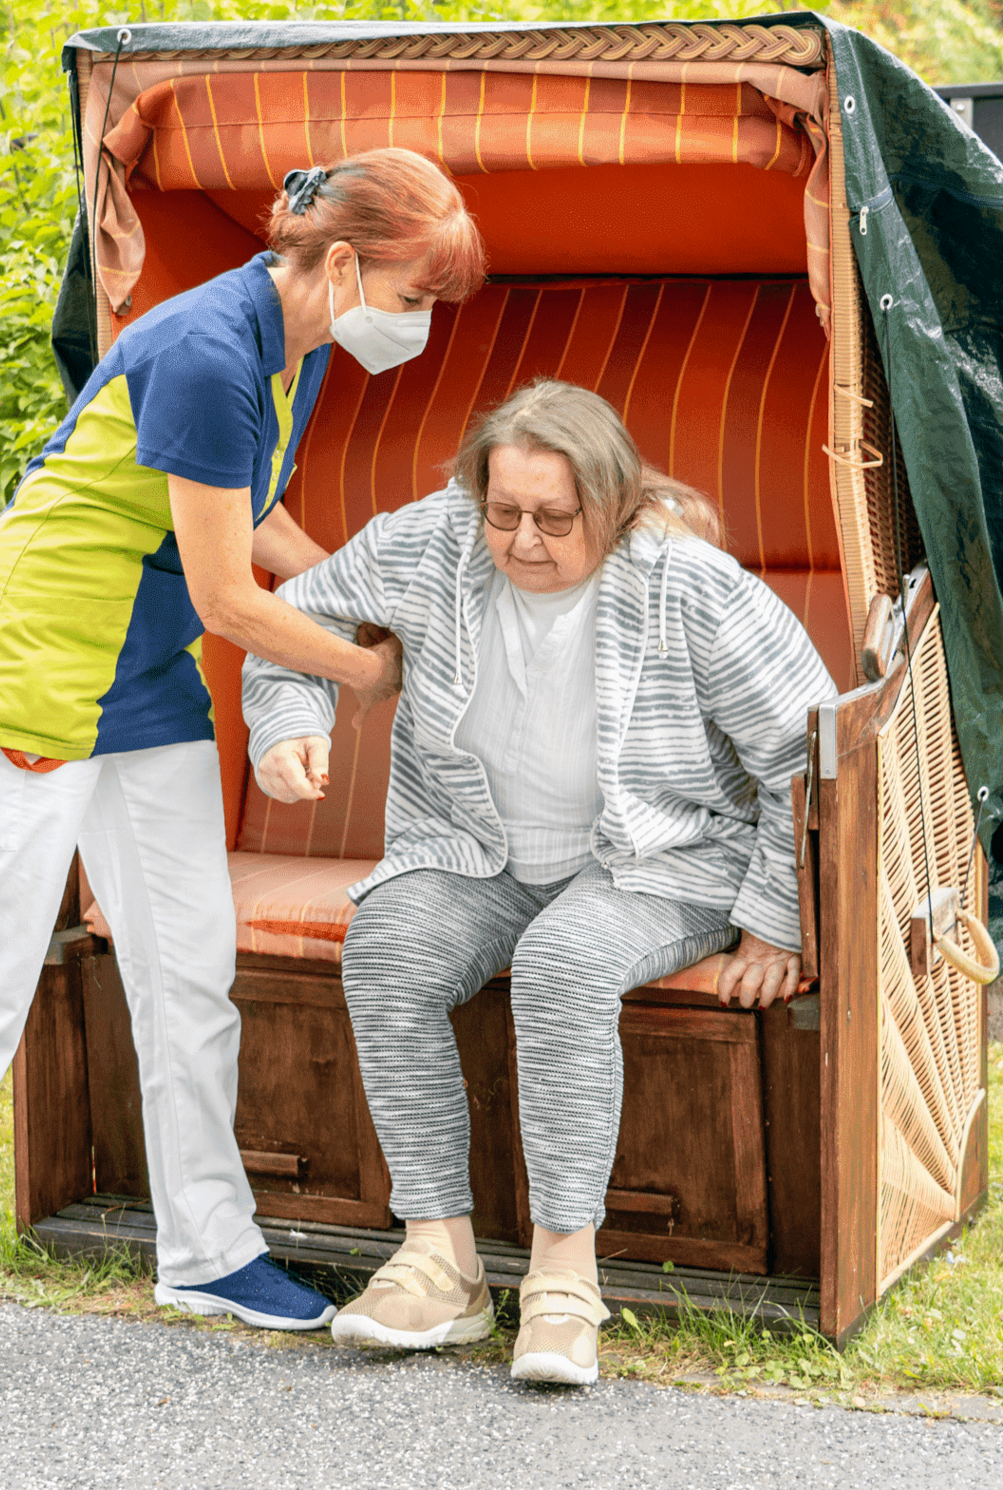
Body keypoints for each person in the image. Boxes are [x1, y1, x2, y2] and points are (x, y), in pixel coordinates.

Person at [0, 149, 484, 1388]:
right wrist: (372, 668)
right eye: (414, 295)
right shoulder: (202, 350)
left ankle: (205, 1248)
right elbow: (234, 599)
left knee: (190, 972)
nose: (420, 323)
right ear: (341, 264)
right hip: (40, 659)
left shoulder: (300, 345)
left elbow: (256, 523)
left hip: (142, 675)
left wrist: (369, 590)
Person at [241, 379, 838, 1387]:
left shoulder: (686, 582)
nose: (521, 539)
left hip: (656, 861)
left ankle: (565, 1280)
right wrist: (287, 720)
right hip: (475, 851)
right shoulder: (431, 541)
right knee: (386, 948)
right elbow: (294, 622)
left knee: (564, 960)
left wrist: (779, 922)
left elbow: (805, 744)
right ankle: (442, 1262)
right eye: (502, 510)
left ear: (612, 502)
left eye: (554, 518)